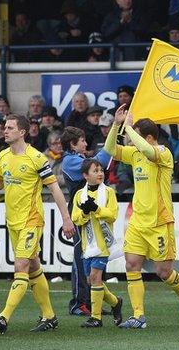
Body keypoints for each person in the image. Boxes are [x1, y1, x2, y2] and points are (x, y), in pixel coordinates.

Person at [0, 114, 75, 334]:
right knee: (33, 267)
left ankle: (4, 316)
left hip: (31, 220)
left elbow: (54, 188)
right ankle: (50, 316)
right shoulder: (3, 155)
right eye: (5, 127)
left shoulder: (36, 158)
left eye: (10, 127)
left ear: (22, 132)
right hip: (13, 221)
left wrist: (66, 218)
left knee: (20, 265)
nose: (5, 130)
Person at [105, 106, 179, 329]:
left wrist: (129, 128)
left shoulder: (162, 153)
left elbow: (147, 151)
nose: (129, 140)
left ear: (147, 137)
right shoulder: (135, 153)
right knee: (131, 264)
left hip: (160, 222)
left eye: (133, 135)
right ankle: (138, 316)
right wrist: (117, 125)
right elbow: (110, 150)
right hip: (137, 221)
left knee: (164, 272)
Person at [61, 126, 113, 316]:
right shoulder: (69, 161)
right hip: (79, 215)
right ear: (73, 144)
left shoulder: (79, 159)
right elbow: (101, 160)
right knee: (80, 258)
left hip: (92, 213)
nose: (85, 143)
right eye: (82, 140)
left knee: (94, 256)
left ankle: (93, 302)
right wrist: (114, 131)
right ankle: (78, 303)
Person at [71, 158, 123, 328]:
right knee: (92, 281)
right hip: (87, 246)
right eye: (95, 171)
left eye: (101, 170)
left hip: (103, 246)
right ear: (85, 175)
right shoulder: (79, 195)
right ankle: (115, 303)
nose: (100, 173)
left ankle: (96, 317)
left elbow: (112, 215)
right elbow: (75, 219)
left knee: (94, 277)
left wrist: (96, 209)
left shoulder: (108, 192)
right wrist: (85, 212)